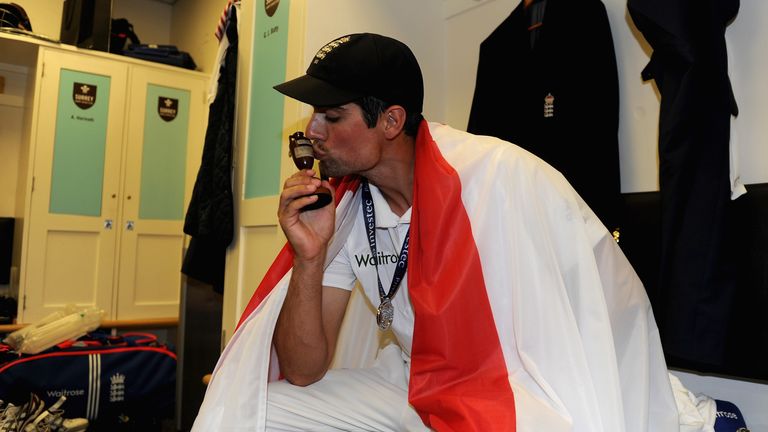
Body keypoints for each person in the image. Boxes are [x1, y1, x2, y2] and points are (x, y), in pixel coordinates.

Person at [192, 32, 679, 431]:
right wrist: (310, 257)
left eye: (332, 116)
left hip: (508, 386)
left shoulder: (497, 176)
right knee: (249, 414)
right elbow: (302, 371)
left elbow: (608, 299)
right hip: (412, 381)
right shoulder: (344, 207)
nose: (313, 131)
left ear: (391, 120)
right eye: (314, 115)